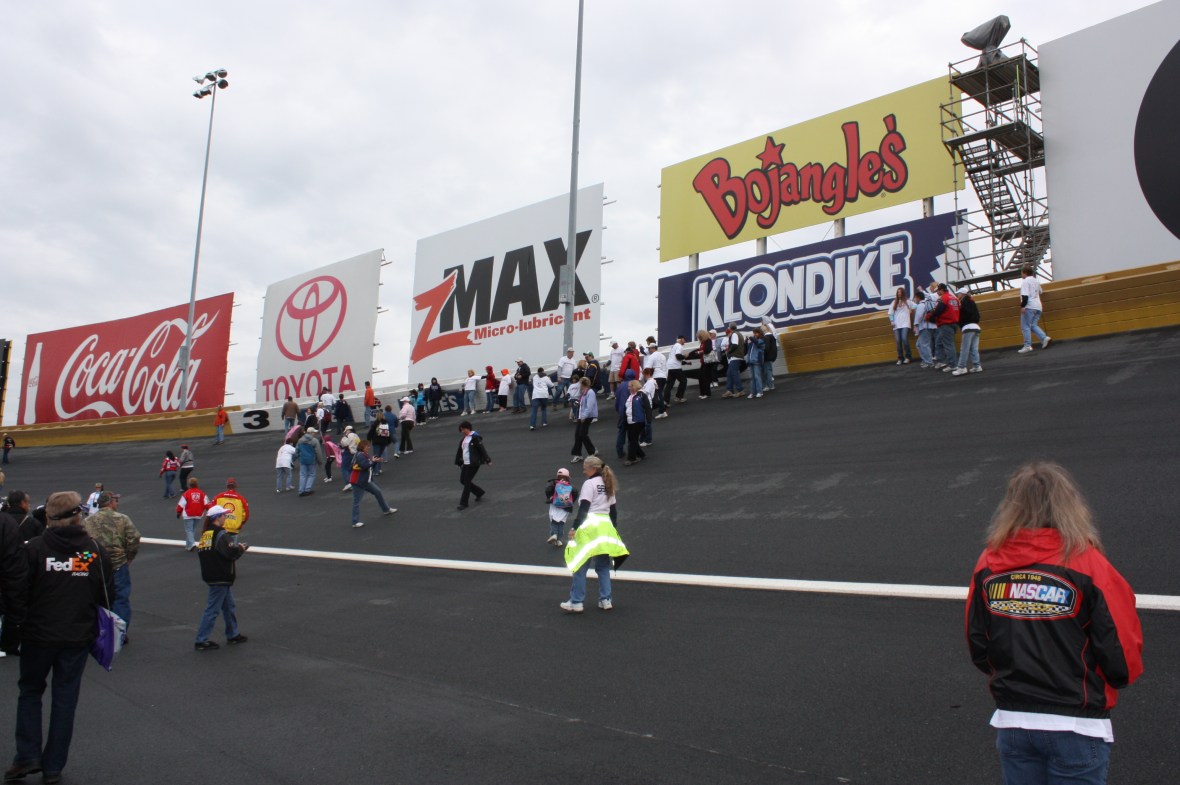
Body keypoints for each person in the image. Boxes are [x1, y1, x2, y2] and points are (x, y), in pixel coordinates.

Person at [966, 462, 1143, 785]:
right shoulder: (1088, 564)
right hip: (1077, 724)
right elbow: (1119, 648)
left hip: (1014, 721)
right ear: (1070, 505)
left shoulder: (989, 564)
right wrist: (1116, 678)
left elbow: (978, 643)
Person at [7, 492, 113, 785]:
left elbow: (18, 591)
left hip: (38, 636)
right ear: (78, 515)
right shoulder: (90, 550)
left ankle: (27, 754)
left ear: (48, 518)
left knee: (30, 691)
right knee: (65, 700)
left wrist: (19, 624)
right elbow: (106, 592)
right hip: (76, 636)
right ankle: (53, 766)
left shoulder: (35, 549)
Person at [560, 456, 628, 613]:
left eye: (585, 467)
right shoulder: (608, 483)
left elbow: (584, 508)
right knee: (603, 566)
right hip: (605, 528)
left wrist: (574, 528)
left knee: (580, 564)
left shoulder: (589, 484)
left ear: (593, 468)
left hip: (590, 528)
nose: (583, 470)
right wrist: (613, 530)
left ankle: (576, 602)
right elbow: (613, 511)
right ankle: (606, 599)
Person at [82, 491, 139, 643]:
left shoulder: (88, 521)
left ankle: (98, 628)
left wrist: (87, 560)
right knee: (120, 598)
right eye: (116, 500)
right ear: (110, 502)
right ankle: (119, 632)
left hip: (95, 564)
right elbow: (134, 538)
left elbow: (82, 542)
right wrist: (129, 557)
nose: (117, 503)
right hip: (118, 563)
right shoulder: (122, 518)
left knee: (96, 597)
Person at [194, 505, 249, 651]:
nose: (225, 517)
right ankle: (201, 639)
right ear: (217, 518)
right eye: (223, 515)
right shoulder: (221, 534)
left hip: (211, 574)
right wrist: (241, 548)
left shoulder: (206, 534)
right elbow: (231, 553)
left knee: (228, 606)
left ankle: (233, 634)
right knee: (212, 609)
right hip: (221, 575)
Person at [347, 440, 397, 528]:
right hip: (358, 482)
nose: (368, 448)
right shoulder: (360, 455)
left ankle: (386, 509)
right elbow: (365, 466)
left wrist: (374, 461)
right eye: (367, 446)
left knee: (378, 492)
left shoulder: (363, 455)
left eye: (369, 446)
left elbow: (368, 466)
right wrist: (373, 461)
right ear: (362, 447)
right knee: (356, 501)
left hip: (365, 480)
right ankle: (355, 522)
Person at [454, 420, 491, 511]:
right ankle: (479, 492)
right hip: (466, 463)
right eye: (461, 430)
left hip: (473, 463)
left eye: (463, 430)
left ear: (468, 428)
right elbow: (460, 451)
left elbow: (482, 449)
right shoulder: (464, 439)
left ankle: (464, 503)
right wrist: (458, 462)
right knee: (462, 481)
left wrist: (488, 460)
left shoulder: (475, 438)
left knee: (466, 482)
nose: (462, 432)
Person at [1018, 264, 1052, 354]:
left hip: (1029, 306)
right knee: (1033, 325)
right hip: (1038, 306)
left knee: (1025, 327)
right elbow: (1041, 291)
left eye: (1021, 273)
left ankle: (1027, 345)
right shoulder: (1036, 281)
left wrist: (1022, 306)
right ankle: (1044, 338)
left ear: (1024, 273)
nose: (1021, 275)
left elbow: (1025, 296)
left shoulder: (1025, 282)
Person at [927, 283, 960, 370]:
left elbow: (938, 310)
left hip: (945, 324)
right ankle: (942, 361)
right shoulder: (954, 298)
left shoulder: (943, 298)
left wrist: (931, 316)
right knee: (939, 343)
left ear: (941, 290)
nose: (938, 293)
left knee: (948, 344)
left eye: (938, 291)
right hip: (954, 323)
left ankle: (953, 365)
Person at [952, 289, 984, 376]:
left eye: (958, 293)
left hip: (968, 327)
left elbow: (963, 314)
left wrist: (959, 322)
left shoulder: (963, 302)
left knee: (964, 349)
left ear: (962, 294)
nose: (957, 295)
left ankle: (961, 367)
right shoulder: (972, 301)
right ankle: (977, 366)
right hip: (976, 327)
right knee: (974, 349)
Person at [544, 467, 577, 547]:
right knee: (561, 523)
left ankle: (554, 535)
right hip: (566, 507)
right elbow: (575, 493)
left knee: (554, 521)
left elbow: (547, 490)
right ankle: (559, 540)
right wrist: (570, 502)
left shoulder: (554, 483)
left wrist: (550, 497)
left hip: (555, 505)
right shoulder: (570, 486)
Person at [176, 477, 211, 551]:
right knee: (192, 530)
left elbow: (181, 504)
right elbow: (207, 504)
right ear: (196, 484)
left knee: (189, 530)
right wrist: (210, 511)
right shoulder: (202, 493)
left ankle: (192, 543)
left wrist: (178, 512)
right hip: (198, 514)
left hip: (188, 515)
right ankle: (188, 546)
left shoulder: (186, 494)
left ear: (189, 484)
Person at [212, 478, 250, 544]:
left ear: (227, 486)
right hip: (234, 529)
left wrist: (215, 523)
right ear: (236, 486)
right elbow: (246, 515)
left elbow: (212, 511)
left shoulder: (218, 497)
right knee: (232, 551)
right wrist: (240, 524)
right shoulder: (241, 499)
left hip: (221, 528)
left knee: (220, 549)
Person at [570, 377, 598, 463]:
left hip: (586, 416)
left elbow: (589, 406)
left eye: (580, 383)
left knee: (582, 434)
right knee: (579, 434)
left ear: (583, 384)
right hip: (582, 416)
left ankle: (590, 452)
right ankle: (584, 452)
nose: (579, 385)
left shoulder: (590, 393)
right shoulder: (584, 392)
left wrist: (584, 416)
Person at [623, 379, 651, 466]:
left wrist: (648, 420)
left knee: (633, 439)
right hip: (630, 421)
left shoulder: (641, 395)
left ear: (634, 386)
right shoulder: (631, 396)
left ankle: (631, 458)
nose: (628, 388)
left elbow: (647, 407)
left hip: (638, 420)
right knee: (632, 439)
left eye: (630, 386)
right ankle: (641, 454)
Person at [912, 286, 939, 368]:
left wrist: (915, 325)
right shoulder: (927, 303)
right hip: (931, 326)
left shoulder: (921, 305)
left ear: (918, 297)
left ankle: (929, 362)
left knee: (924, 344)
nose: (914, 299)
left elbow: (919, 316)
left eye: (915, 298)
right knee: (919, 344)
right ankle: (926, 360)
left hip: (925, 327)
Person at [887, 287, 914, 365]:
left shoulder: (907, 301)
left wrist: (912, 310)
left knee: (904, 338)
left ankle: (908, 357)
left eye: (900, 292)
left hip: (905, 323)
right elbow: (890, 313)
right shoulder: (894, 302)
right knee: (898, 341)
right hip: (896, 324)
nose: (899, 293)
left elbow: (915, 306)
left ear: (903, 293)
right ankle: (900, 358)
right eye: (898, 292)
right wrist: (892, 321)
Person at [296, 427, 324, 496]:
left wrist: (298, 457)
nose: (314, 433)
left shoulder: (300, 440)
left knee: (302, 475)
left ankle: (301, 491)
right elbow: (318, 452)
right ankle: (307, 489)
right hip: (311, 460)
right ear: (311, 433)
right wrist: (320, 461)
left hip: (303, 460)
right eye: (314, 432)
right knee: (311, 474)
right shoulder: (314, 441)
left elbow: (296, 451)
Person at [723, 324, 746, 398]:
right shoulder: (738, 334)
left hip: (735, 356)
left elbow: (735, 345)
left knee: (733, 373)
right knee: (729, 373)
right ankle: (729, 390)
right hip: (737, 356)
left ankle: (740, 390)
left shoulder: (734, 334)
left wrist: (729, 351)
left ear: (730, 328)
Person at [745, 327, 765, 399]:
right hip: (751, 361)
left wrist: (751, 338)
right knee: (752, 378)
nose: (754, 334)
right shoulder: (752, 342)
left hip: (757, 361)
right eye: (754, 333)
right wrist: (745, 342)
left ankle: (760, 392)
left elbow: (757, 342)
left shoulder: (761, 340)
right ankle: (752, 393)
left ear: (759, 333)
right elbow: (746, 349)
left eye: (756, 333)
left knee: (757, 377)